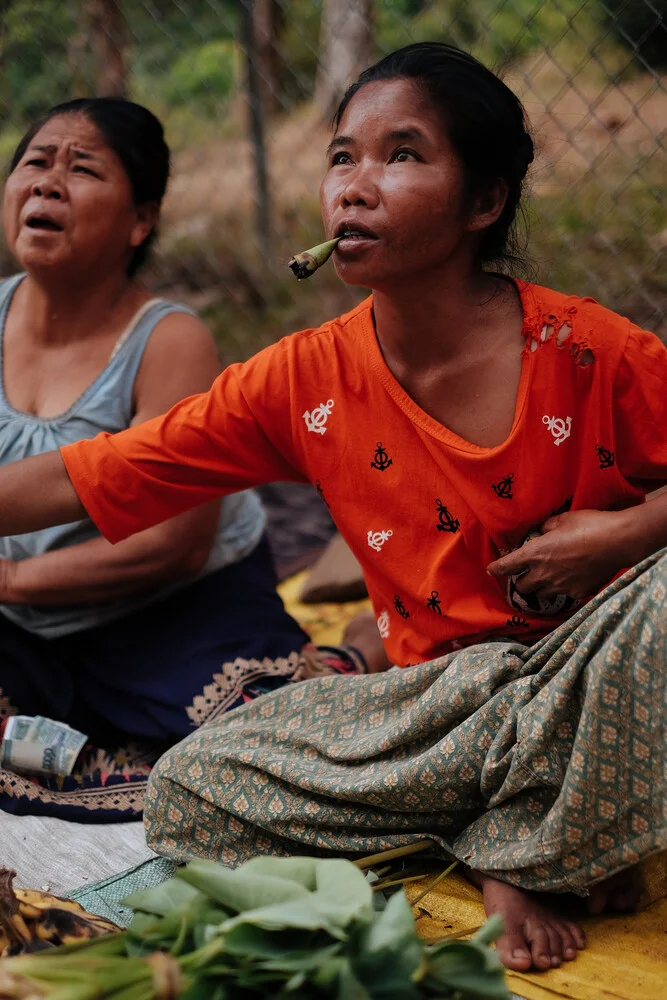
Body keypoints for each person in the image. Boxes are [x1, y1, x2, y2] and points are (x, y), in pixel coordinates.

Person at [0, 45, 664, 969]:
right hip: (436, 713)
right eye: (341, 157)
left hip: (583, 681)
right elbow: (103, 470)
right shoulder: (306, 379)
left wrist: (629, 532)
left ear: (484, 201)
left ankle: (524, 841)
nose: (354, 186)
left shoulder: (591, 350)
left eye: (401, 155)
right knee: (195, 785)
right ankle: (541, 824)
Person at [0, 97, 363, 822]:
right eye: (35, 163)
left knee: (278, 752)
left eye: (81, 168)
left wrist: (10, 577)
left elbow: (171, 544)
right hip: (21, 621)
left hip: (169, 609)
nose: (46, 183)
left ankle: (354, 657)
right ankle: (81, 739)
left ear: (140, 221)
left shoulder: (168, 339)